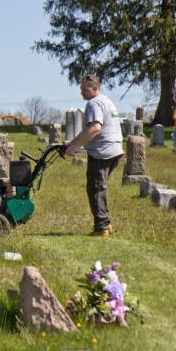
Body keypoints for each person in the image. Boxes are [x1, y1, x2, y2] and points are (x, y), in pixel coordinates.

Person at [65, 75, 124, 237]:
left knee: (95, 189)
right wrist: (72, 144)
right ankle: (106, 223)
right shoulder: (106, 101)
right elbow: (87, 130)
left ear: (95, 88)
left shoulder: (94, 103)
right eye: (81, 89)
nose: (81, 93)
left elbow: (95, 127)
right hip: (115, 150)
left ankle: (101, 227)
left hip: (102, 153)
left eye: (85, 89)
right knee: (99, 187)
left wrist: (75, 146)